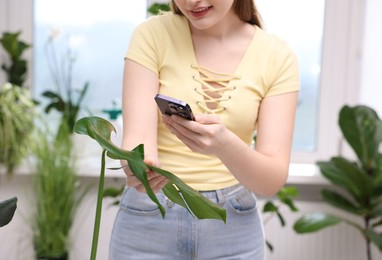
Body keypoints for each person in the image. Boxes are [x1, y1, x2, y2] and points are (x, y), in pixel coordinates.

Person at [109, 0, 299, 259]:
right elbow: (137, 140)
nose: (191, 2)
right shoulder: (152, 35)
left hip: (233, 227)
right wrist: (138, 167)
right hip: (149, 215)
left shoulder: (277, 57)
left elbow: (271, 180)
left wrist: (225, 146)